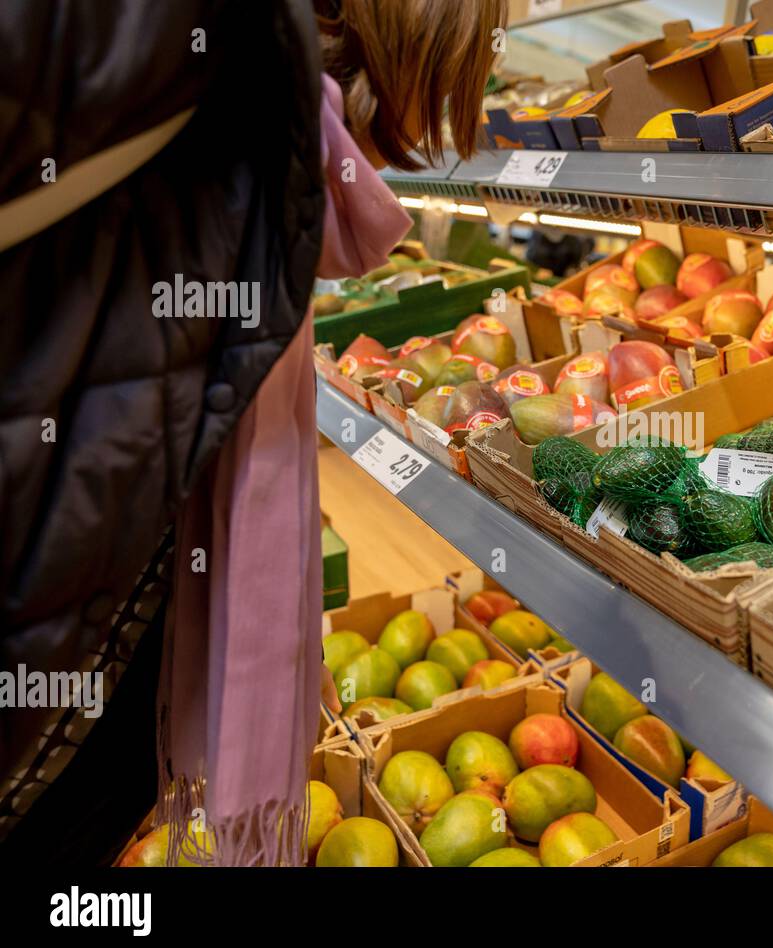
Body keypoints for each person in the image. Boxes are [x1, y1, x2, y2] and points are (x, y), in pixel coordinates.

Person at [0, 0, 505, 866]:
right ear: (410, 48)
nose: (456, 115)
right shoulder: (214, 120)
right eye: (458, 80)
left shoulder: (258, 167)